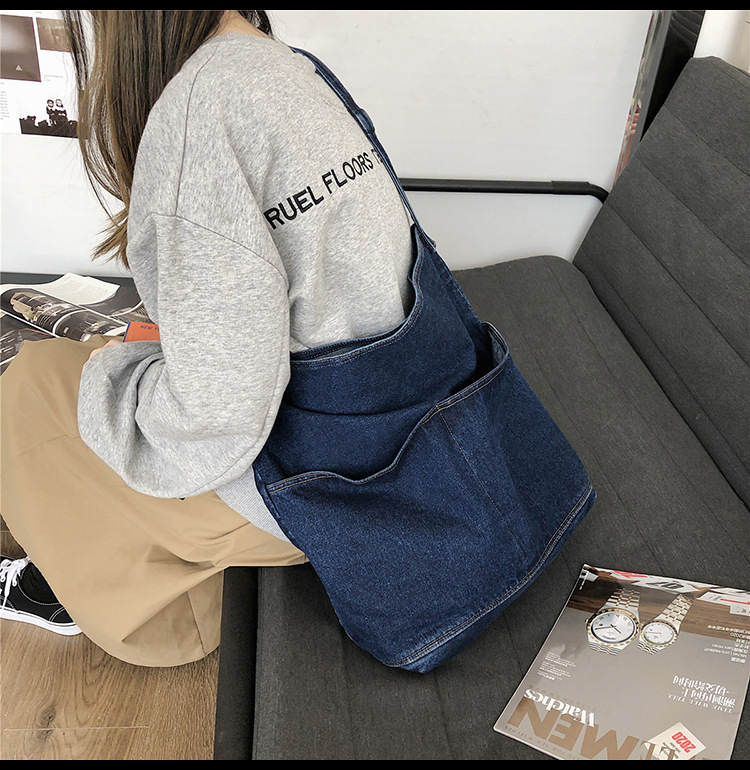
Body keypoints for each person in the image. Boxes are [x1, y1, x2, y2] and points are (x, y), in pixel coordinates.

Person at [1, 10, 414, 666]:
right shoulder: (293, 69)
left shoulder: (196, 119)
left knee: (30, 386)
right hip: (397, 423)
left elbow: (214, 424)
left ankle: (137, 608)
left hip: (324, 482)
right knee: (85, 373)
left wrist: (119, 381)